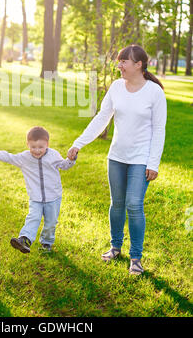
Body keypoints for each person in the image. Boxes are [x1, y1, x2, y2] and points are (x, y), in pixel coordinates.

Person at [68, 44, 167, 275]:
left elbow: (159, 129)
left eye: (124, 61)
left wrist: (153, 163)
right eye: (119, 61)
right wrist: (78, 143)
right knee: (117, 204)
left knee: (134, 204)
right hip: (117, 156)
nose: (119, 65)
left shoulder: (154, 92)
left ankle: (136, 257)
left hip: (141, 158)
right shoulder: (115, 87)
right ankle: (115, 247)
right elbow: (102, 118)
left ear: (138, 64)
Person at [0, 126, 76, 253]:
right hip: (35, 197)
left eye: (40, 147)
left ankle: (46, 243)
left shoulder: (53, 155)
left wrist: (71, 159)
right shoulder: (24, 158)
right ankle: (25, 239)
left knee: (51, 222)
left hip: (53, 197)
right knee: (33, 217)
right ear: (27, 144)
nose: (36, 150)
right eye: (33, 147)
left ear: (47, 144)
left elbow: (64, 166)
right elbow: (9, 157)